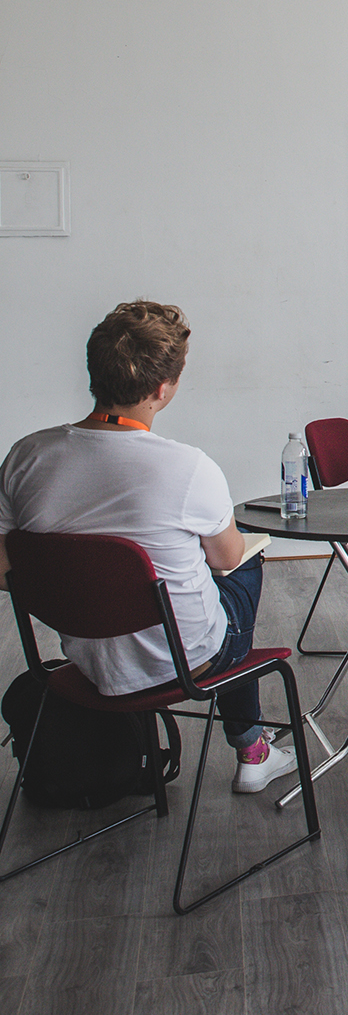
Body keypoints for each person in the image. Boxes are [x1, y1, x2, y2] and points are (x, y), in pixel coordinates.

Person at [0, 301, 297, 793]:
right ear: (163, 389)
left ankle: (251, 742)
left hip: (89, 663)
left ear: (95, 374)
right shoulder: (187, 468)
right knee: (242, 562)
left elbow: (6, 568)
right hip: (186, 662)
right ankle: (252, 748)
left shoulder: (27, 456)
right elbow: (225, 558)